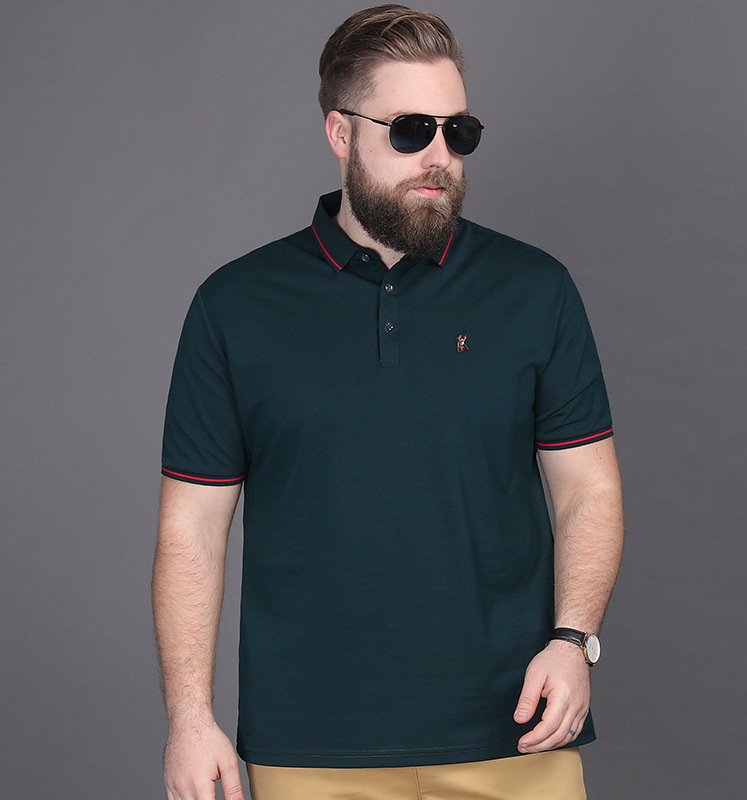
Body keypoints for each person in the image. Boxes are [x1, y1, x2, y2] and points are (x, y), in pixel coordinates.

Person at [152, 5, 623, 800]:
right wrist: (190, 719)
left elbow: (589, 488)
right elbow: (191, 528)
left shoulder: (535, 290)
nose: (439, 156)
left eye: (458, 132)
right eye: (410, 131)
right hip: (309, 748)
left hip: (516, 730)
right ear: (341, 133)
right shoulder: (234, 306)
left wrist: (574, 641)